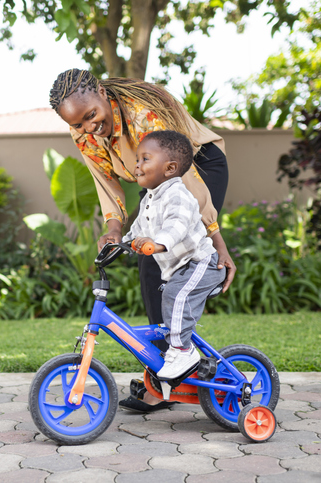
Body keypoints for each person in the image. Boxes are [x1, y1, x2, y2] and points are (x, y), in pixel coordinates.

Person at [49, 68, 235, 411]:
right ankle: (165, 373)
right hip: (159, 183)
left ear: (103, 93)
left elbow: (188, 181)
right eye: (77, 125)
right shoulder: (83, 135)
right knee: (150, 266)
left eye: (91, 116)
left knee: (169, 260)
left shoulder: (142, 116)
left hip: (196, 166)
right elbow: (106, 182)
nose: (88, 128)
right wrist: (115, 227)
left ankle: (173, 367)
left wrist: (216, 239)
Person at [125, 130, 226, 380]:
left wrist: (158, 244)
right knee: (169, 301)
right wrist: (122, 244)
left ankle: (182, 351)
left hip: (201, 263)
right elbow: (138, 229)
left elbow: (176, 226)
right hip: (181, 267)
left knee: (175, 296)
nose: (137, 166)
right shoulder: (150, 198)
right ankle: (180, 356)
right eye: (137, 159)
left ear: (169, 168)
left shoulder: (178, 195)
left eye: (145, 159)